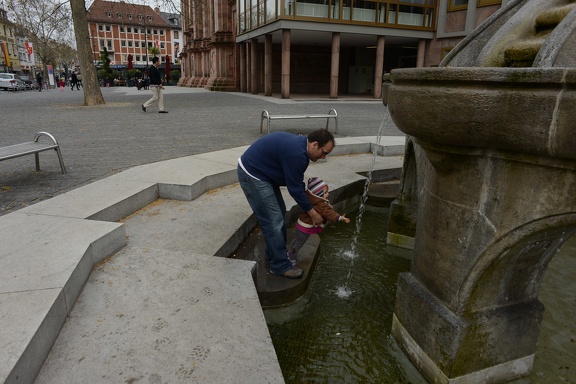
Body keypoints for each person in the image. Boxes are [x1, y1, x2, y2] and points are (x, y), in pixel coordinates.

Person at [237, 129, 335, 279]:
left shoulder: (301, 147)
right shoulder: (297, 154)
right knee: (274, 220)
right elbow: (295, 188)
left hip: (264, 173)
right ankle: (280, 266)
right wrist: (313, 212)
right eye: (324, 152)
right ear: (315, 145)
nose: (323, 157)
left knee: (279, 212)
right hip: (253, 174)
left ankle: (274, 254)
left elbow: (295, 182)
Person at [287, 177, 350, 265]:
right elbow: (329, 213)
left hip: (301, 225)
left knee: (297, 240)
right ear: (318, 193)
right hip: (305, 227)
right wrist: (340, 218)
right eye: (325, 192)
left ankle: (289, 252)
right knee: (299, 243)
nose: (327, 194)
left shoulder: (312, 200)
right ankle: (291, 257)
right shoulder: (320, 204)